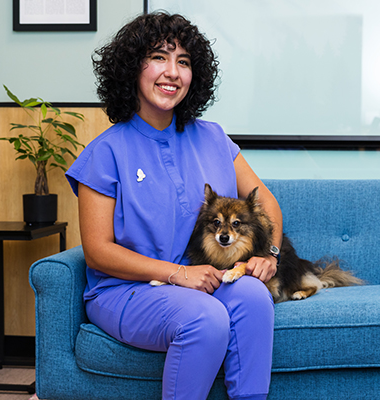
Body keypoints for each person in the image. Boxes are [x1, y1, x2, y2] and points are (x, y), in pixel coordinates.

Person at [66, 11, 282, 400]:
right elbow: (97, 253)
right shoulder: (105, 152)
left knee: (253, 297)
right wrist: (178, 274)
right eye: (159, 57)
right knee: (206, 317)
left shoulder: (213, 137)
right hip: (127, 291)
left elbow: (265, 201)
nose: (172, 72)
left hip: (207, 280)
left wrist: (270, 254)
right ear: (133, 67)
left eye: (183, 62)